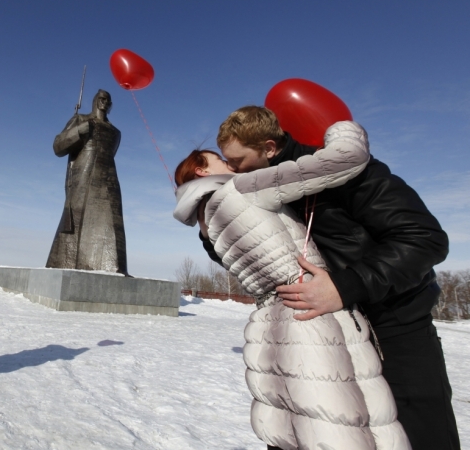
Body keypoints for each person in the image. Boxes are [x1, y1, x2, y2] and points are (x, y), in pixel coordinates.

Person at [205, 106, 458, 449]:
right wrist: (212, 234)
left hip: (393, 334)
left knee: (414, 437)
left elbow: (424, 238)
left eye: (237, 160)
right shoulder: (261, 189)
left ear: (268, 148)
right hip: (321, 340)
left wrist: (345, 286)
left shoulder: (346, 173)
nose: (232, 169)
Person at [174, 121, 410, 449]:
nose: (231, 165)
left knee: (293, 431)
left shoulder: (208, 223)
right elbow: (344, 161)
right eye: (220, 160)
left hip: (272, 323)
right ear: (201, 171)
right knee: (340, 428)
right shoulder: (240, 188)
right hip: (312, 313)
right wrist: (343, 132)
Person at [46, 89, 129, 274]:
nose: (104, 103)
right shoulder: (80, 120)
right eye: (101, 99)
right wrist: (78, 131)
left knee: (113, 223)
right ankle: (67, 264)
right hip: (82, 178)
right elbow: (58, 146)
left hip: (108, 179)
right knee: (76, 221)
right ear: (94, 101)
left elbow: (110, 153)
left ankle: (113, 268)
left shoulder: (116, 133)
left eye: (108, 100)